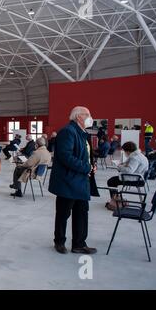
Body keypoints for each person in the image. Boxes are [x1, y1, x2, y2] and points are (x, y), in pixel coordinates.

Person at [49, 106, 97, 255]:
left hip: (80, 181)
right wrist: (86, 167)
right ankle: (59, 242)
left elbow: (85, 155)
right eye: (87, 114)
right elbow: (65, 156)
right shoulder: (68, 132)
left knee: (82, 213)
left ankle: (79, 244)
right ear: (78, 117)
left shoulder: (81, 133)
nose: (90, 117)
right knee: (63, 214)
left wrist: (91, 167)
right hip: (68, 182)